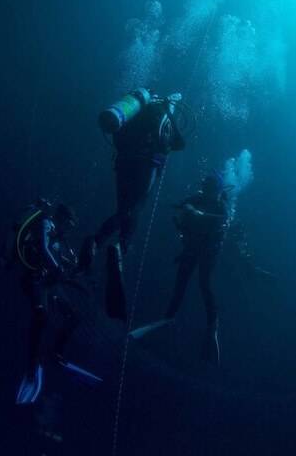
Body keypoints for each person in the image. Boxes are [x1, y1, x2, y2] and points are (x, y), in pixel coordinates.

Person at [79, 91, 186, 320]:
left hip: (123, 162)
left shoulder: (136, 109)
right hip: (146, 165)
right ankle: (119, 247)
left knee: (123, 209)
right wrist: (171, 112)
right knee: (134, 209)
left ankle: (95, 243)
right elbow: (179, 143)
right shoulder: (164, 110)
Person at [129, 174, 230, 364]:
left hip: (207, 252)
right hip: (192, 249)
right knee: (180, 285)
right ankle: (168, 318)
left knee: (205, 285)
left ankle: (212, 328)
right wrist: (190, 209)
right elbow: (183, 204)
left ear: (217, 190)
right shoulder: (198, 198)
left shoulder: (221, 207)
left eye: (210, 188)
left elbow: (224, 219)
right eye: (205, 187)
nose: (207, 191)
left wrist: (200, 214)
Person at [11, 200, 102, 406]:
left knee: (74, 316)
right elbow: (43, 248)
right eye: (70, 223)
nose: (71, 228)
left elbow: (65, 263)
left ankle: (55, 353)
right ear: (62, 219)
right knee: (41, 318)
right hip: (35, 280)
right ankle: (31, 368)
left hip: (49, 286)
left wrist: (83, 274)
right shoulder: (46, 224)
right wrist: (56, 267)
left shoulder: (61, 239)